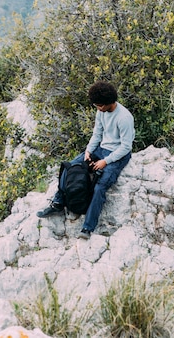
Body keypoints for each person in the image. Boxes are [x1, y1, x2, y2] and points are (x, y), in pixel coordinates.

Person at [36, 81, 135, 240]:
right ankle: (58, 203)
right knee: (71, 167)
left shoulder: (124, 118)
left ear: (108, 103)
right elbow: (97, 134)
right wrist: (89, 151)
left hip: (118, 154)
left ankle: (88, 227)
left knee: (101, 186)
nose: (97, 108)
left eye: (99, 105)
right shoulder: (101, 112)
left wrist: (106, 161)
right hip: (101, 148)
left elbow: (126, 146)